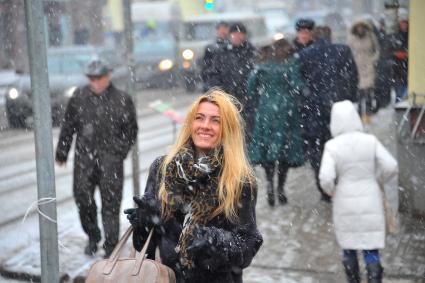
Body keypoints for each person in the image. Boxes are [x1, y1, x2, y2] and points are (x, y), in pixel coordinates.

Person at [124, 90, 263, 283]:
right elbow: (144, 248)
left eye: (216, 120)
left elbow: (248, 244)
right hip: (169, 278)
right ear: (190, 123)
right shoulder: (163, 168)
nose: (205, 126)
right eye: (199, 118)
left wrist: (216, 241)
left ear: (227, 129)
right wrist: (145, 223)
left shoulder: (239, 179)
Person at [55, 59, 138, 258]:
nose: (95, 82)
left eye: (99, 77)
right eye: (91, 78)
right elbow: (68, 126)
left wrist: (118, 152)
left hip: (111, 162)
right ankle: (93, 236)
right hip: (84, 159)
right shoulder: (79, 97)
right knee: (83, 199)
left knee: (111, 204)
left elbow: (131, 131)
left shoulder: (122, 99)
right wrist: (62, 151)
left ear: (108, 76)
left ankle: (111, 246)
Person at [319, 100, 398, 283]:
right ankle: (374, 278)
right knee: (371, 248)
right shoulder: (370, 141)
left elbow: (325, 178)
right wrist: (377, 179)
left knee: (349, 247)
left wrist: (332, 192)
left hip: (344, 201)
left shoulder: (332, 146)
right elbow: (391, 166)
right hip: (371, 197)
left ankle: (353, 279)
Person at [298, 26, 358, 202]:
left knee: (318, 148)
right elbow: (352, 77)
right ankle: (341, 181)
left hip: (314, 109)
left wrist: (306, 99)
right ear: (330, 36)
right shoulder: (343, 50)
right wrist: (349, 99)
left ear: (313, 37)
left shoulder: (304, 55)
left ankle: (324, 186)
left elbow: (299, 83)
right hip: (339, 107)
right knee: (342, 144)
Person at [247, 39, 304, 206]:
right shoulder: (290, 63)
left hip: (265, 110)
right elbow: (296, 85)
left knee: (267, 149)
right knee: (284, 151)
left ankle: (270, 185)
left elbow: (251, 86)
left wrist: (261, 99)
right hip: (286, 111)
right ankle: (281, 188)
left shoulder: (262, 64)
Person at [205, 22, 257, 141]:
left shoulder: (252, 52)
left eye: (240, 34)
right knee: (228, 134)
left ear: (244, 36)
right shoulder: (222, 53)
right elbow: (213, 74)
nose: (237, 37)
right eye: (234, 34)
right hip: (227, 100)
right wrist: (219, 93)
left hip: (248, 102)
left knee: (246, 134)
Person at [348, 21, 380, 123]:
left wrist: (374, 60)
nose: (360, 29)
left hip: (369, 66)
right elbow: (348, 50)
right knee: (359, 92)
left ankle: (367, 114)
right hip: (357, 67)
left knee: (368, 91)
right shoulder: (352, 38)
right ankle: (359, 114)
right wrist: (352, 61)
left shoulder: (371, 36)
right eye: (358, 27)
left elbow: (377, 49)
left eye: (362, 27)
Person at [201, 21, 229, 91]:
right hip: (214, 83)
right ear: (217, 31)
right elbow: (206, 66)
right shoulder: (210, 48)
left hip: (228, 83)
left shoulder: (232, 47)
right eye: (221, 30)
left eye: (225, 30)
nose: (223, 32)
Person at [389, 19, 408, 102]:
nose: (404, 26)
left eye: (405, 24)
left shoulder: (410, 36)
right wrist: (396, 54)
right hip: (397, 66)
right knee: (398, 89)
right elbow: (389, 50)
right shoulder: (395, 36)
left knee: (405, 88)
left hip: (406, 66)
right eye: (402, 24)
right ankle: (398, 103)